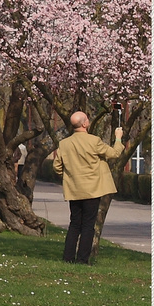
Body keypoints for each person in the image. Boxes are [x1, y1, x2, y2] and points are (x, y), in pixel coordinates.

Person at [51, 111, 124, 264]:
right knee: (88, 225)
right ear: (84, 124)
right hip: (92, 189)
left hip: (75, 189)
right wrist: (118, 137)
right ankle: (83, 259)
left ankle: (68, 258)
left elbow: (57, 166)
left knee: (75, 223)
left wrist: (68, 176)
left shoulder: (64, 144)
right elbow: (114, 153)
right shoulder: (94, 141)